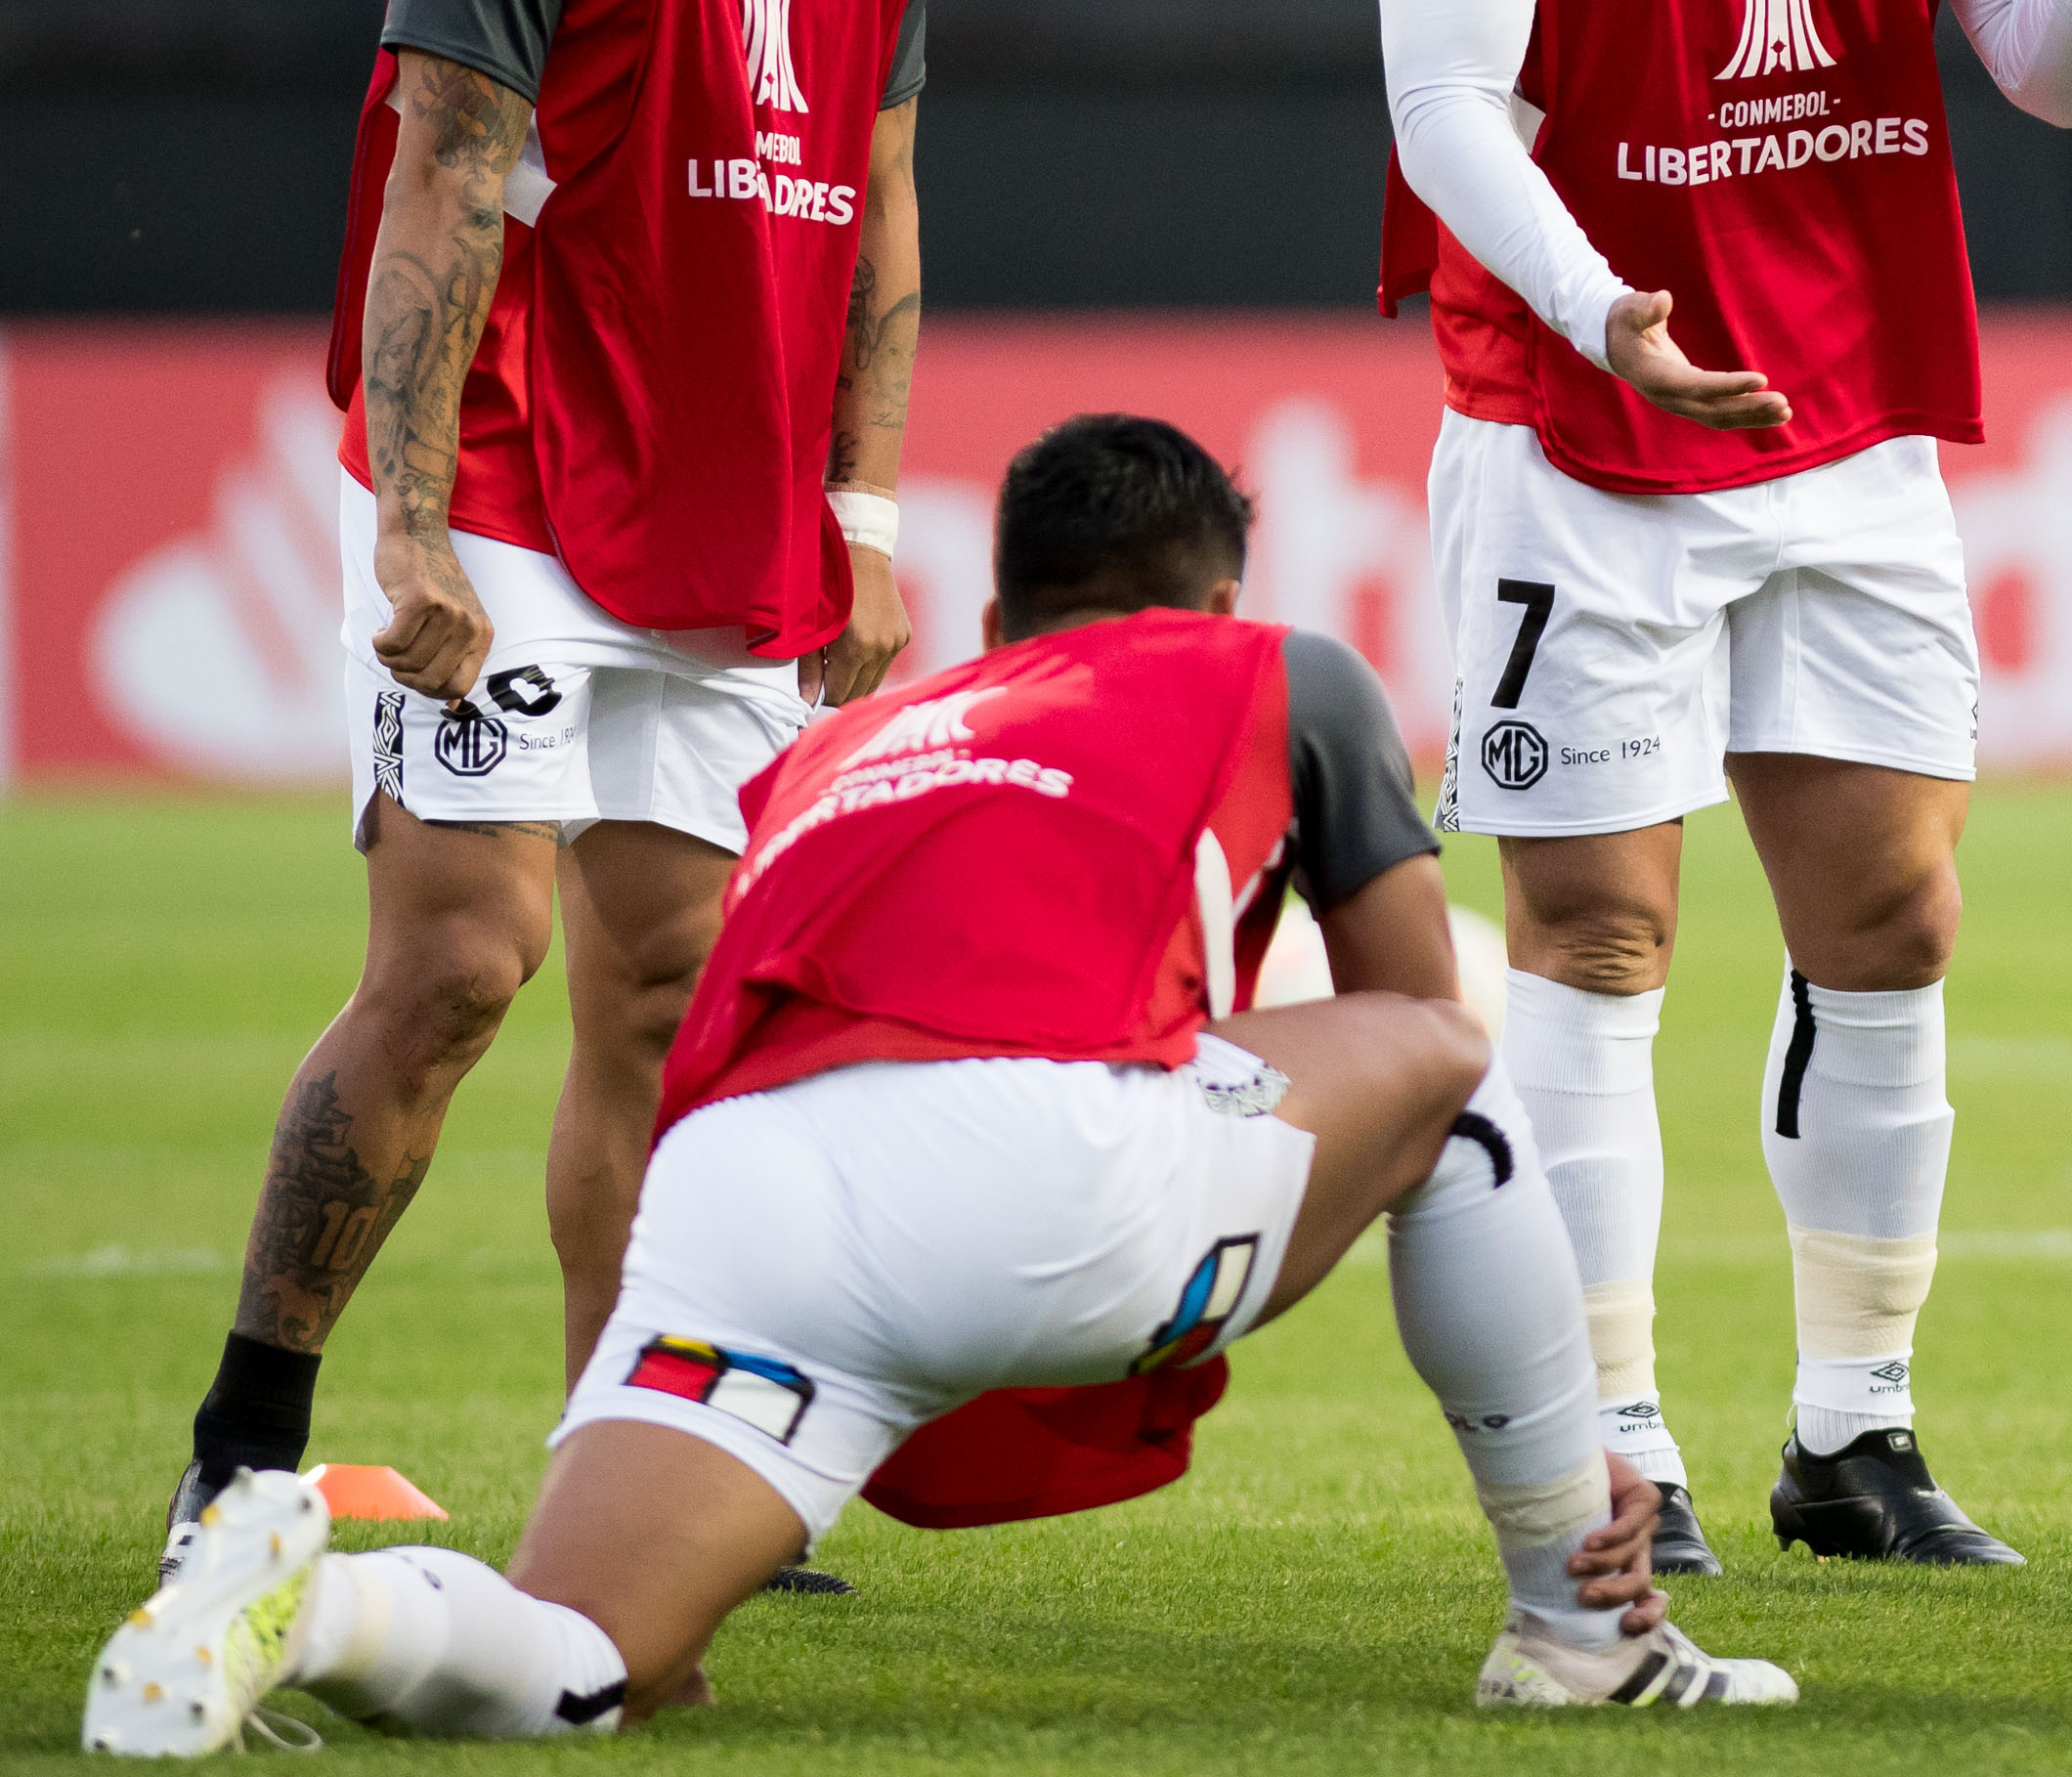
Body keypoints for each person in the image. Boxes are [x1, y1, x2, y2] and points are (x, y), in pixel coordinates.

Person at [84, 414, 1798, 1755]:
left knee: (600, 1668)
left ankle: (307, 1614)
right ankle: (1583, 1633)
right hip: (1035, 1179)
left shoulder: (851, 738)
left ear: (996, 620)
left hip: (742, 1196)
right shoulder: (1279, 671)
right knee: (1454, 1074)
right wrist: (1572, 1438)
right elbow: (1411, 1018)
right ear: (1217, 601)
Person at [1372, 0, 2072, 1574]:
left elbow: (2048, 72)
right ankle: (1614, 1433)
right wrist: (1599, 309)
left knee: (1896, 913)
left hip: (1840, 419)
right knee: (1597, 928)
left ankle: (1854, 1433)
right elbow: (1444, 106)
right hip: (1579, 424)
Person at [166, 0, 938, 1576]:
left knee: (680, 991)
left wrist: (864, 501)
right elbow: (438, 169)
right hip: (503, 470)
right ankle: (245, 1428)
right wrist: (409, 520)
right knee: (463, 962)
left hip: (724, 497)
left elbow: (878, 191)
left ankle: (636, 1462)